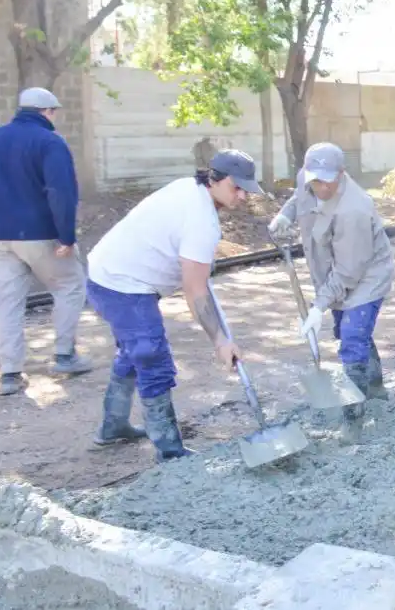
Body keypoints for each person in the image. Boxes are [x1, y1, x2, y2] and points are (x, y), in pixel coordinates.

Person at [85, 150, 263, 461]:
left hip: (106, 272)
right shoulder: (201, 221)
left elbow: (194, 277)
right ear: (215, 179)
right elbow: (195, 293)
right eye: (237, 188)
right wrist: (221, 341)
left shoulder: (188, 188)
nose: (243, 196)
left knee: (133, 350)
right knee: (151, 357)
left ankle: (112, 427)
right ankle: (169, 452)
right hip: (123, 284)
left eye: (246, 189)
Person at [268, 143, 395, 435]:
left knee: (351, 336)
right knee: (349, 330)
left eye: (328, 180)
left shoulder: (355, 209)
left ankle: (354, 420)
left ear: (342, 172)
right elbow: (300, 197)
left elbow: (349, 272)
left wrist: (318, 306)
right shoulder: (308, 178)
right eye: (315, 179)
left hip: (366, 275)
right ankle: (375, 386)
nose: (321, 186)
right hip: (332, 269)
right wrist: (285, 214)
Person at [0, 87, 91, 395]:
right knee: (70, 286)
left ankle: (10, 374)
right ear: (47, 112)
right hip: (39, 233)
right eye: (54, 112)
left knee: (7, 302)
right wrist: (66, 236)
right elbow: (61, 192)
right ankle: (64, 355)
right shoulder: (49, 142)